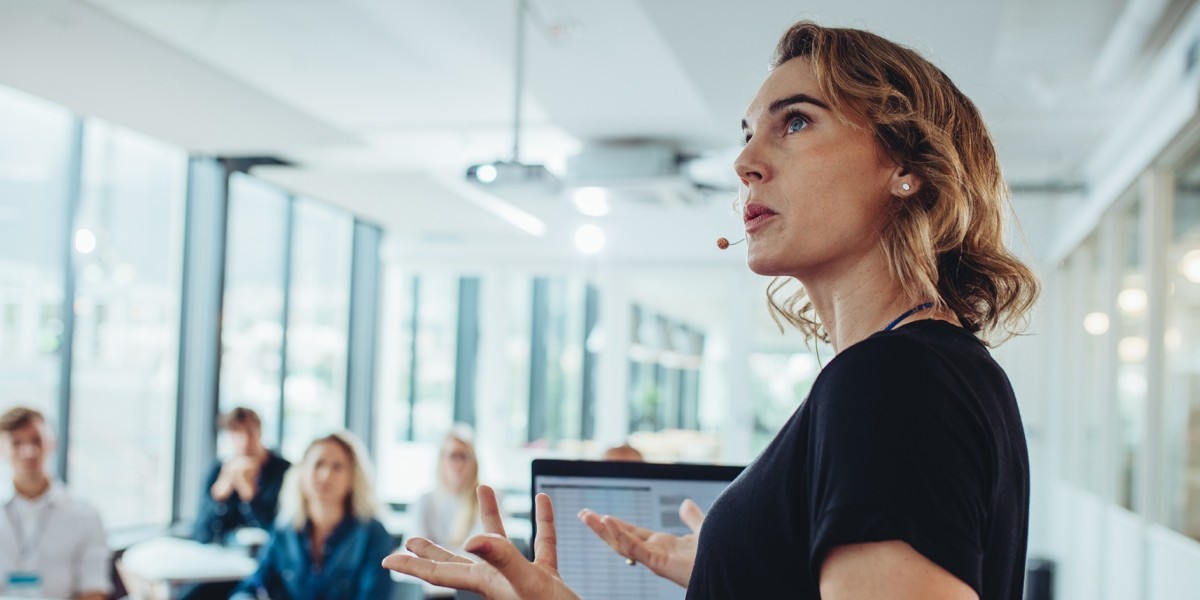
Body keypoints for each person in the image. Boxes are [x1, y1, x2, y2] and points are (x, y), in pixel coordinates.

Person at [382, 20, 1039, 600]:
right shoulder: (933, 368)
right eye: (750, 133)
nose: (745, 162)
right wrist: (743, 566)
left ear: (905, 165)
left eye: (797, 121)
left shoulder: (890, 382)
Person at [231, 431, 394, 600]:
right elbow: (255, 585)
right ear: (302, 472)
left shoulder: (372, 533)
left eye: (337, 467)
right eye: (318, 464)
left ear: (353, 477)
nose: (325, 476)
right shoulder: (285, 529)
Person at [0, 406, 110, 600]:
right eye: (16, 443)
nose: (28, 452)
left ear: (53, 443)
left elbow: (93, 589)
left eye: (37, 440)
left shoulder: (85, 515)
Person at [193, 407, 291, 545]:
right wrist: (218, 497)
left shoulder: (284, 472)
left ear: (260, 432)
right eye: (237, 433)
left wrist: (250, 496)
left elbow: (283, 532)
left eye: (250, 432)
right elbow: (200, 533)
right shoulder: (219, 471)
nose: (244, 440)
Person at [410, 425, 482, 549]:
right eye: (453, 456)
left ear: (474, 462)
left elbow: (482, 555)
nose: (458, 464)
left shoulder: (484, 501)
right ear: (441, 460)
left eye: (464, 456)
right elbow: (414, 549)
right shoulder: (425, 502)